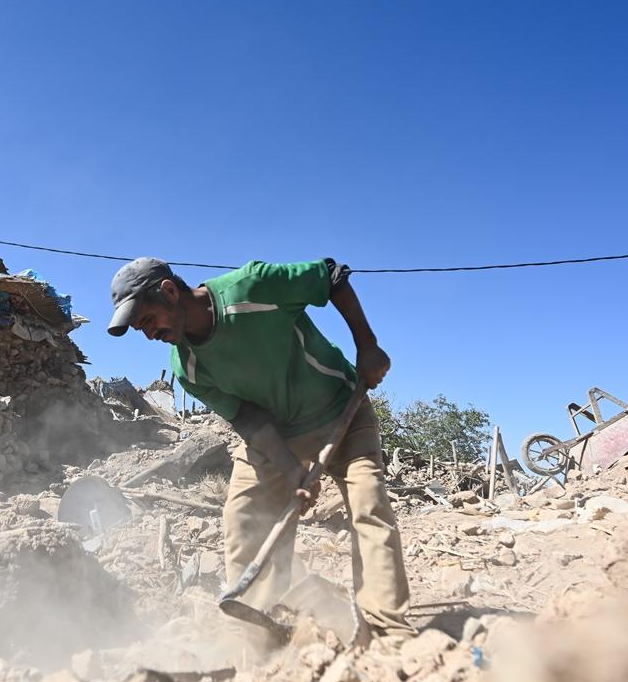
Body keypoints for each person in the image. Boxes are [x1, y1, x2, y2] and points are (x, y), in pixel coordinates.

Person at [107, 257, 414, 638]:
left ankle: (389, 633)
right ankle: (263, 635)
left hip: (340, 411)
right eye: (140, 329)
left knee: (369, 503)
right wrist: (290, 469)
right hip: (278, 433)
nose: (148, 333)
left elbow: (332, 277)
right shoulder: (187, 368)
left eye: (148, 320)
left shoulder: (254, 287)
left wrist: (367, 346)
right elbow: (249, 419)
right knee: (242, 516)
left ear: (169, 291)